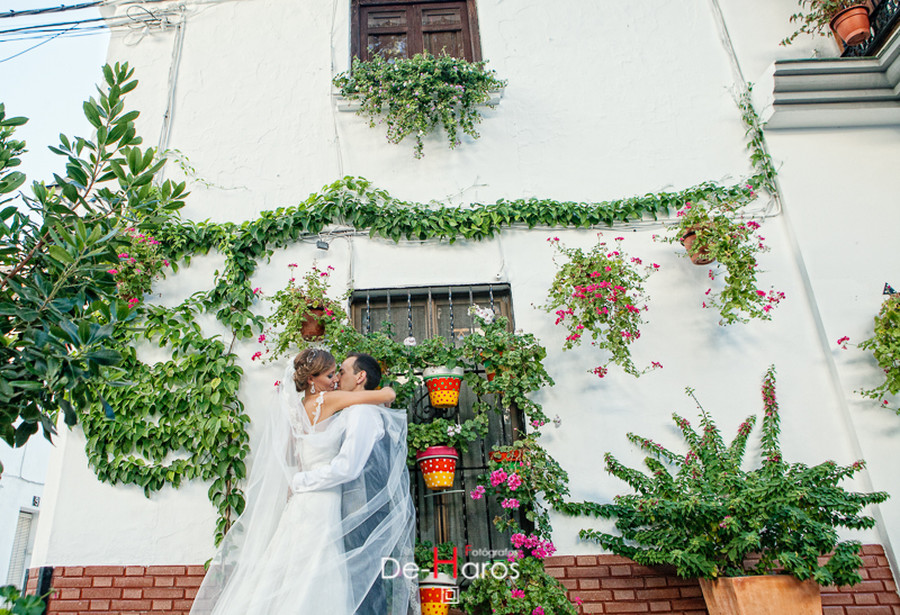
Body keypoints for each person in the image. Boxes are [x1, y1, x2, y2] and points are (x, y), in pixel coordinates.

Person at [189, 348, 417, 615]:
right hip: (321, 496)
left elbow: (292, 453)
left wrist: (297, 480)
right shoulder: (333, 402)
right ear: (313, 378)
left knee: (299, 565)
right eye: (332, 373)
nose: (336, 378)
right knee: (315, 566)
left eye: (339, 372)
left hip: (307, 497)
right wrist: (301, 480)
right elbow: (387, 395)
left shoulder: (300, 409)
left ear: (360, 376)